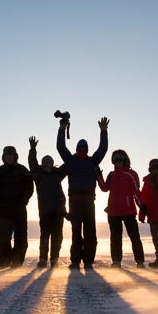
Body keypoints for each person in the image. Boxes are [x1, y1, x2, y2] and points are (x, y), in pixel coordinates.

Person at [57, 115, 109, 270]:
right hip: (79, 202)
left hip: (85, 202)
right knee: (82, 233)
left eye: (83, 147)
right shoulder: (76, 160)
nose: (81, 149)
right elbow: (61, 147)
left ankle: (85, 261)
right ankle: (79, 261)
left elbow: (103, 149)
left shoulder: (90, 161)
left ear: (85, 149)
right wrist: (62, 129)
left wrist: (104, 131)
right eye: (81, 147)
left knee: (86, 233)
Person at [97, 149, 145, 268]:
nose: (117, 161)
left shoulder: (130, 174)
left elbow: (136, 191)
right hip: (113, 212)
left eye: (120, 159)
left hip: (128, 211)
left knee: (134, 236)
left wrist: (142, 206)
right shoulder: (111, 175)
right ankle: (116, 261)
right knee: (115, 238)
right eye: (115, 159)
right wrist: (99, 176)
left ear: (124, 160)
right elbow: (104, 188)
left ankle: (139, 261)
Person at [0, 146, 34, 268]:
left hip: (19, 208)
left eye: (11, 155)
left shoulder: (22, 170)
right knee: (2, 236)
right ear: (4, 157)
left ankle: (17, 260)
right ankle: (5, 259)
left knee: (20, 236)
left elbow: (30, 188)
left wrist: (24, 201)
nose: (9, 157)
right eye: (7, 155)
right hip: (2, 209)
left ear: (15, 156)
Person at [28, 136, 67, 268]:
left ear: (52, 163)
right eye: (44, 163)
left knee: (57, 236)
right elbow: (32, 163)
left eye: (48, 163)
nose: (46, 165)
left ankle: (54, 258)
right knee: (45, 236)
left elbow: (68, 162)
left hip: (58, 210)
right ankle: (43, 259)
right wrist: (32, 149)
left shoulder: (58, 174)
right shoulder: (38, 175)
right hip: (45, 211)